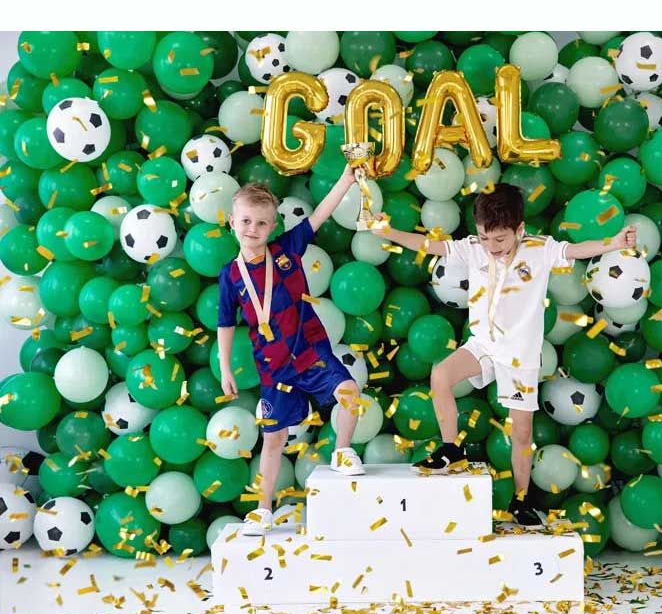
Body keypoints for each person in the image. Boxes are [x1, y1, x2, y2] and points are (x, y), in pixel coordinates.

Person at [370, 182, 637, 526]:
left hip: (519, 356)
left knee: (521, 433)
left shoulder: (539, 249)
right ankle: (452, 450)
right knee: (440, 375)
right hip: (483, 344)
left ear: (519, 230)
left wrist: (614, 243)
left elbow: (576, 250)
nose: (491, 247)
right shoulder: (473, 249)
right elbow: (429, 245)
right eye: (485, 237)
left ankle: (521, 499)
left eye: (500, 239)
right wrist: (389, 232)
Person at [217, 164, 365, 536]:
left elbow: (320, 214)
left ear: (273, 227)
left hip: (311, 351)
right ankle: (262, 510)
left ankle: (342, 450)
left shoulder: (286, 249)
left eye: (261, 223)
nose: (252, 229)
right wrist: (226, 367)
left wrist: (346, 179)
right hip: (274, 367)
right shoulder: (230, 275)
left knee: (350, 392)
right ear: (232, 221)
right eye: (246, 221)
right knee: (274, 439)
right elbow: (226, 322)